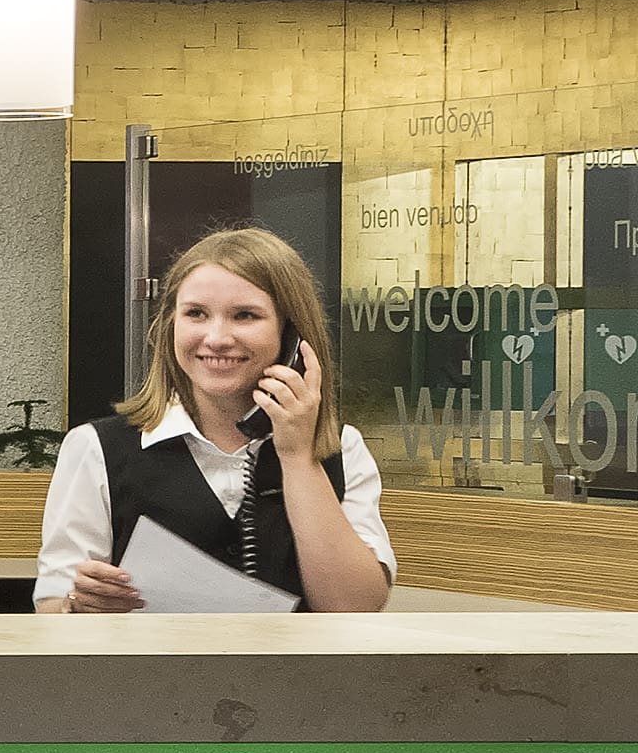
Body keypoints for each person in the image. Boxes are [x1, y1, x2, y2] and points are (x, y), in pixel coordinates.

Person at [37, 227, 396, 615]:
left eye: (245, 316)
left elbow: (354, 609)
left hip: (297, 660)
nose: (217, 337)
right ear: (170, 325)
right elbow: (52, 608)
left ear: (292, 334)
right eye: (196, 314)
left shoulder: (342, 449)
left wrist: (297, 457)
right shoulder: (96, 448)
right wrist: (78, 606)